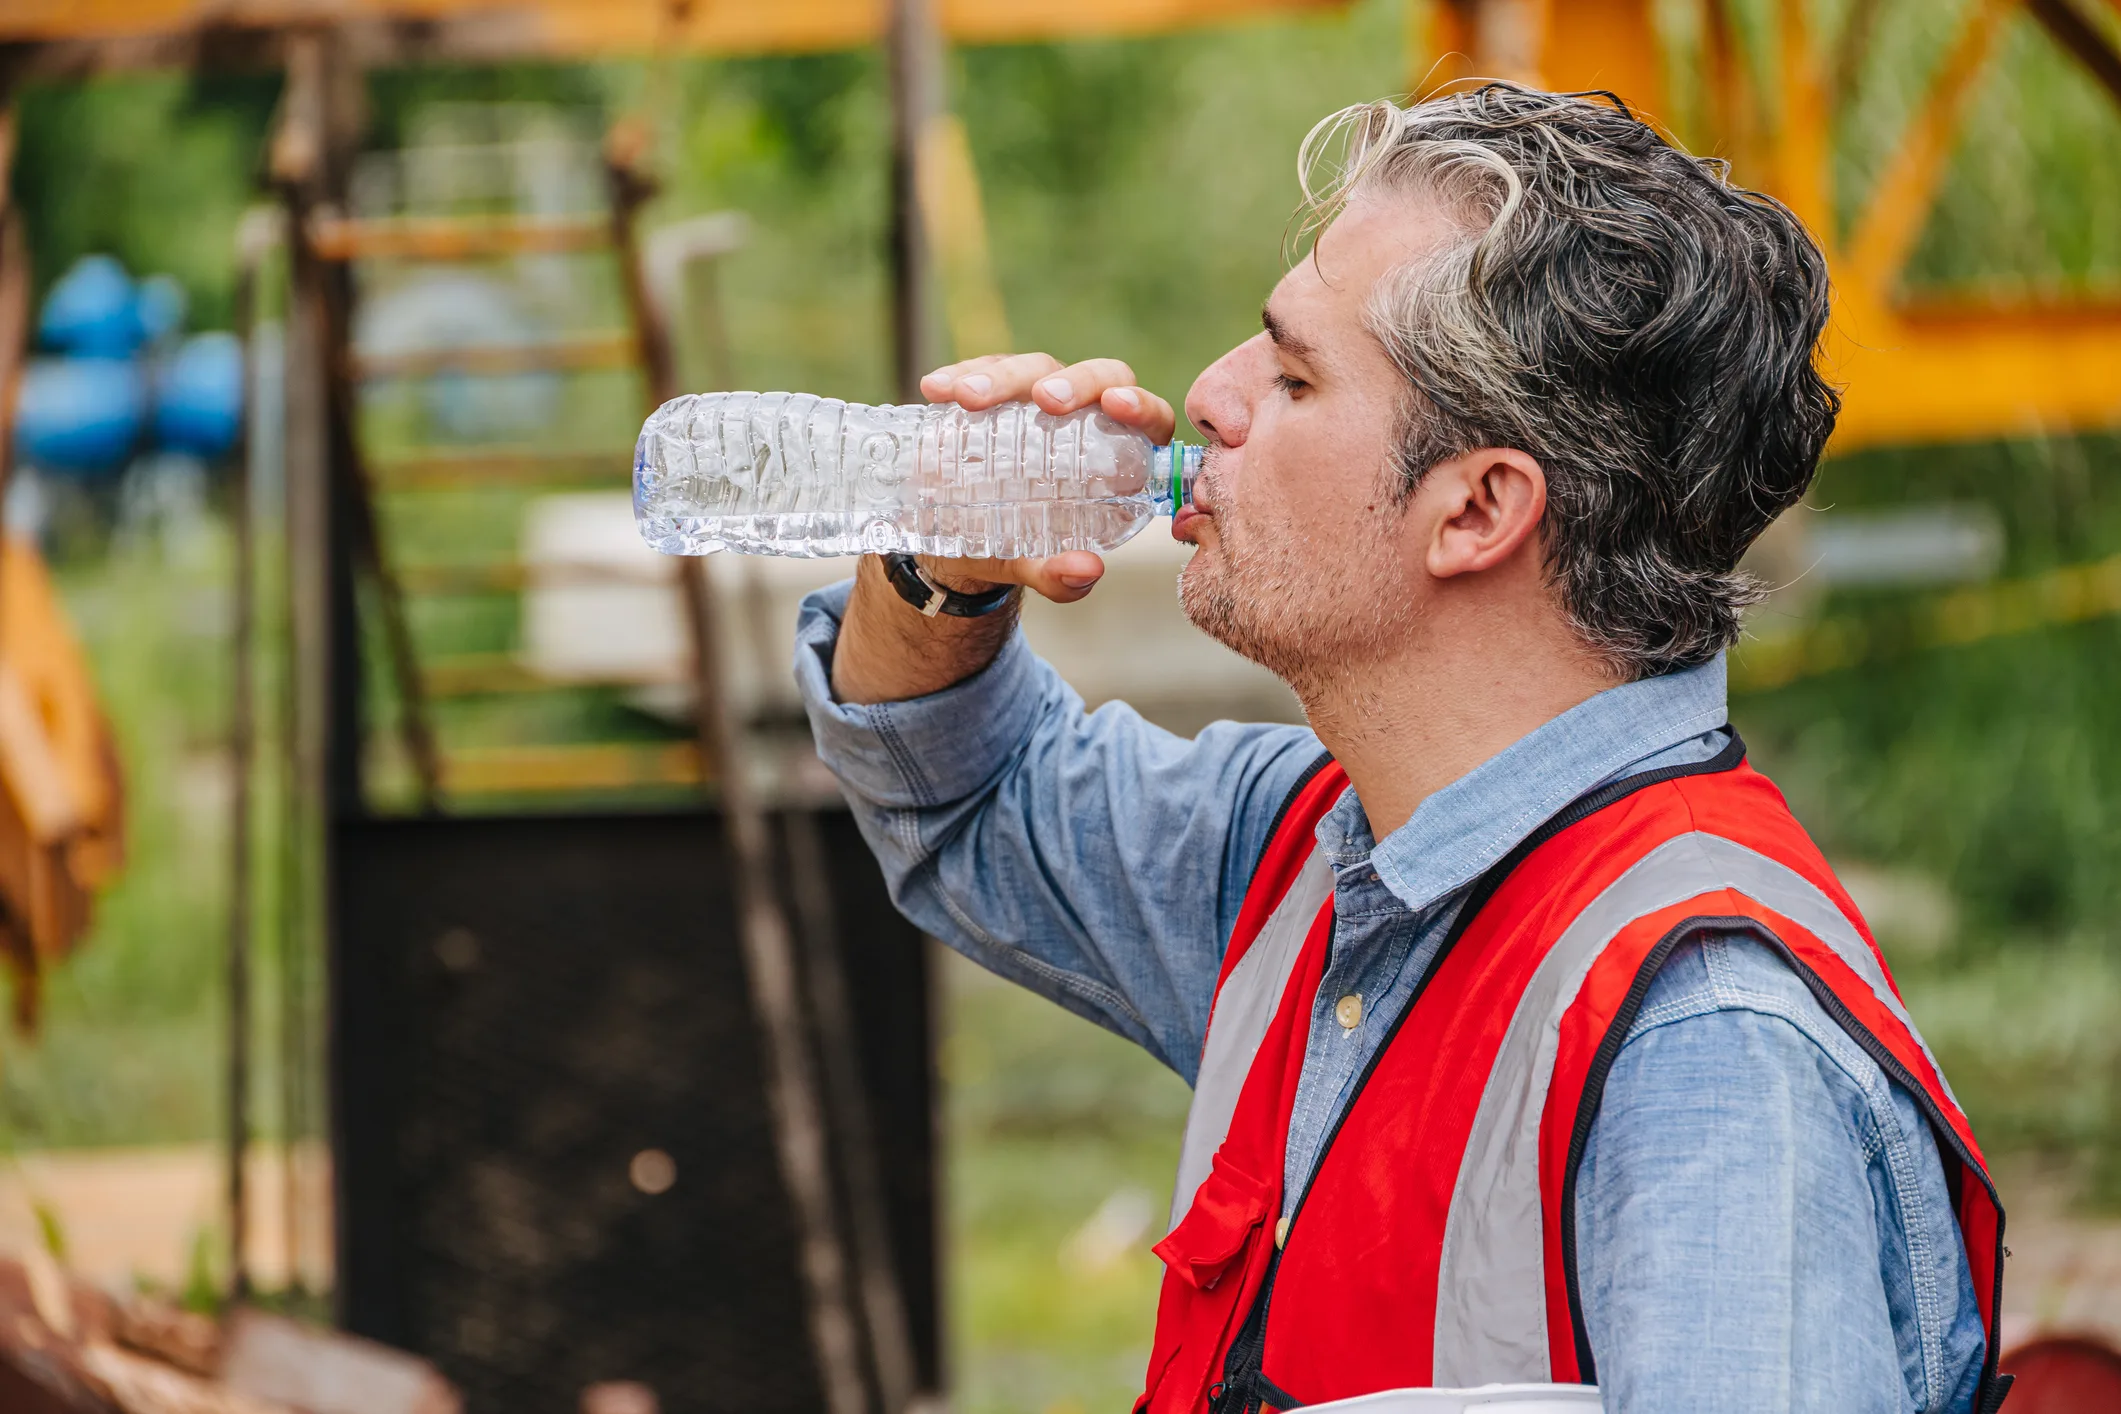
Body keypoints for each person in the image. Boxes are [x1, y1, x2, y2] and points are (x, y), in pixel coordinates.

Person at [796, 84, 2006, 1413]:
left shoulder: (1704, 1050)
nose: (1208, 395)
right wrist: (938, 573)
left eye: (1294, 373)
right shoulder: (1311, 861)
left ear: (1478, 507)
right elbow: (960, 791)